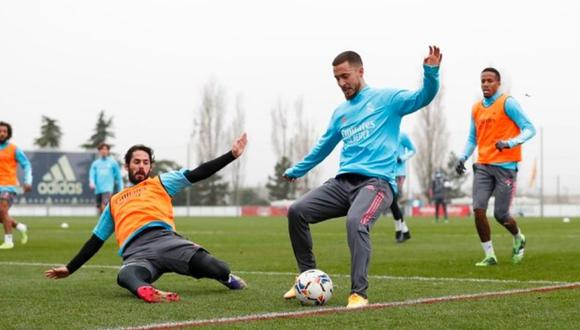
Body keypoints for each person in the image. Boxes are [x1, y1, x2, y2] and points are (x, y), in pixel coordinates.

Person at [282, 47, 442, 308]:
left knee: (356, 222)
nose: (341, 83)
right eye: (337, 79)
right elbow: (324, 146)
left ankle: (359, 294)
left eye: (345, 76)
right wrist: (298, 169)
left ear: (360, 71)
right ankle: (307, 277)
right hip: (343, 183)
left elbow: (423, 96)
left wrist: (431, 72)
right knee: (297, 211)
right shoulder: (341, 113)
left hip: (376, 183)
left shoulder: (387, 99)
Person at [45, 133, 249, 303]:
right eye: (136, 162)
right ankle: (147, 290)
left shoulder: (161, 183)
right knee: (125, 275)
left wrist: (231, 155)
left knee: (218, 267)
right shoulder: (115, 201)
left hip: (167, 241)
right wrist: (70, 268)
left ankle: (226, 278)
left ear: (150, 167)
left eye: (145, 162)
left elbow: (198, 173)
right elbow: (96, 240)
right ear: (127, 166)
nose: (141, 166)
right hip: (137, 252)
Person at [456, 67, 535, 266]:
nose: (485, 84)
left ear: (498, 83)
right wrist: (463, 157)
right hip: (482, 164)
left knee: (501, 215)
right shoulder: (476, 108)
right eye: (483, 81)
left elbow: (529, 129)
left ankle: (519, 237)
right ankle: (489, 255)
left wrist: (510, 143)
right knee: (478, 209)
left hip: (506, 167)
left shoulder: (508, 103)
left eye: (490, 80)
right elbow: (472, 137)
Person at [0, 121, 32, 250]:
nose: (2, 133)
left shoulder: (14, 149)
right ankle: (20, 227)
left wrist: (28, 180)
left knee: (3, 210)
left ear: (8, 134)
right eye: (0, 131)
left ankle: (8, 241)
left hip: (9, 185)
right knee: (1, 215)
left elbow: (26, 165)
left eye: (4, 131)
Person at [390, 131, 415, 242]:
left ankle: (400, 231)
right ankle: (404, 231)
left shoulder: (402, 135)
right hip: (388, 172)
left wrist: (402, 157)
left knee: (393, 201)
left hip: (399, 173)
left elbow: (413, 150)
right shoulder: (385, 134)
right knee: (392, 202)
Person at [89, 143, 123, 215]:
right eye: (102, 149)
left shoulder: (113, 163)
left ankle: (105, 222)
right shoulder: (95, 163)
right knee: (99, 207)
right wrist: (91, 182)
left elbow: (118, 177)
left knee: (104, 204)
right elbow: (92, 174)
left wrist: (121, 188)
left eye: (106, 149)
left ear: (108, 151)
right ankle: (103, 221)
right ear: (99, 151)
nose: (104, 151)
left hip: (108, 188)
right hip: (98, 189)